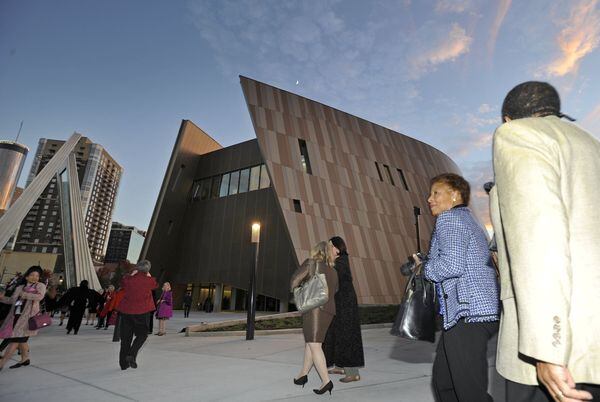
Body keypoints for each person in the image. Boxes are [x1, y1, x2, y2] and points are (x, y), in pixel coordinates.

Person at [491, 81, 600, 402]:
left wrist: (547, 348)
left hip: (562, 348)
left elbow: (538, 237)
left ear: (508, 119)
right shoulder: (592, 147)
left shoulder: (519, 135)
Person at [415, 173, 500, 401]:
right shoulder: (470, 219)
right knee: (445, 382)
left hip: (468, 313)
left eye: (436, 193)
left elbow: (452, 265)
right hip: (475, 312)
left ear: (454, 195)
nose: (429, 198)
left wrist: (425, 269)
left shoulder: (449, 219)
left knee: (469, 391)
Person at [290, 241, 339, 396]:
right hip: (329, 310)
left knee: (314, 345)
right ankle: (302, 375)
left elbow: (294, 281)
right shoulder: (333, 270)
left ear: (317, 251)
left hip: (314, 310)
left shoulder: (312, 263)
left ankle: (326, 381)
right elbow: (335, 290)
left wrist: (300, 289)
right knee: (311, 343)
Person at [322, 236, 365, 383]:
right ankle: (340, 366)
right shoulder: (338, 262)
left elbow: (331, 279)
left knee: (347, 337)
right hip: (340, 305)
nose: (328, 248)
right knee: (337, 335)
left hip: (345, 307)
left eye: (330, 246)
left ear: (337, 248)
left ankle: (353, 373)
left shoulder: (341, 263)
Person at [0, 266, 46, 371]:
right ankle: (25, 359)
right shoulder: (20, 287)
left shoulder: (40, 285)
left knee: (15, 339)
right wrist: (2, 298)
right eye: (32, 275)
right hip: (16, 316)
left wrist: (24, 294)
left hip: (28, 318)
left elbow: (39, 297)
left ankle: (2, 363)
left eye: (37, 275)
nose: (35, 277)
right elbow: (12, 300)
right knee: (22, 339)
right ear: (26, 277)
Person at [117, 260, 157, 370]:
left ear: (137, 268)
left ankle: (123, 364)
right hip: (141, 312)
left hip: (126, 311)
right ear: (147, 269)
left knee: (126, 338)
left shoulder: (129, 279)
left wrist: (131, 275)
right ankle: (132, 354)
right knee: (142, 335)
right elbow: (155, 285)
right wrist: (148, 275)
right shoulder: (148, 280)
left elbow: (122, 283)